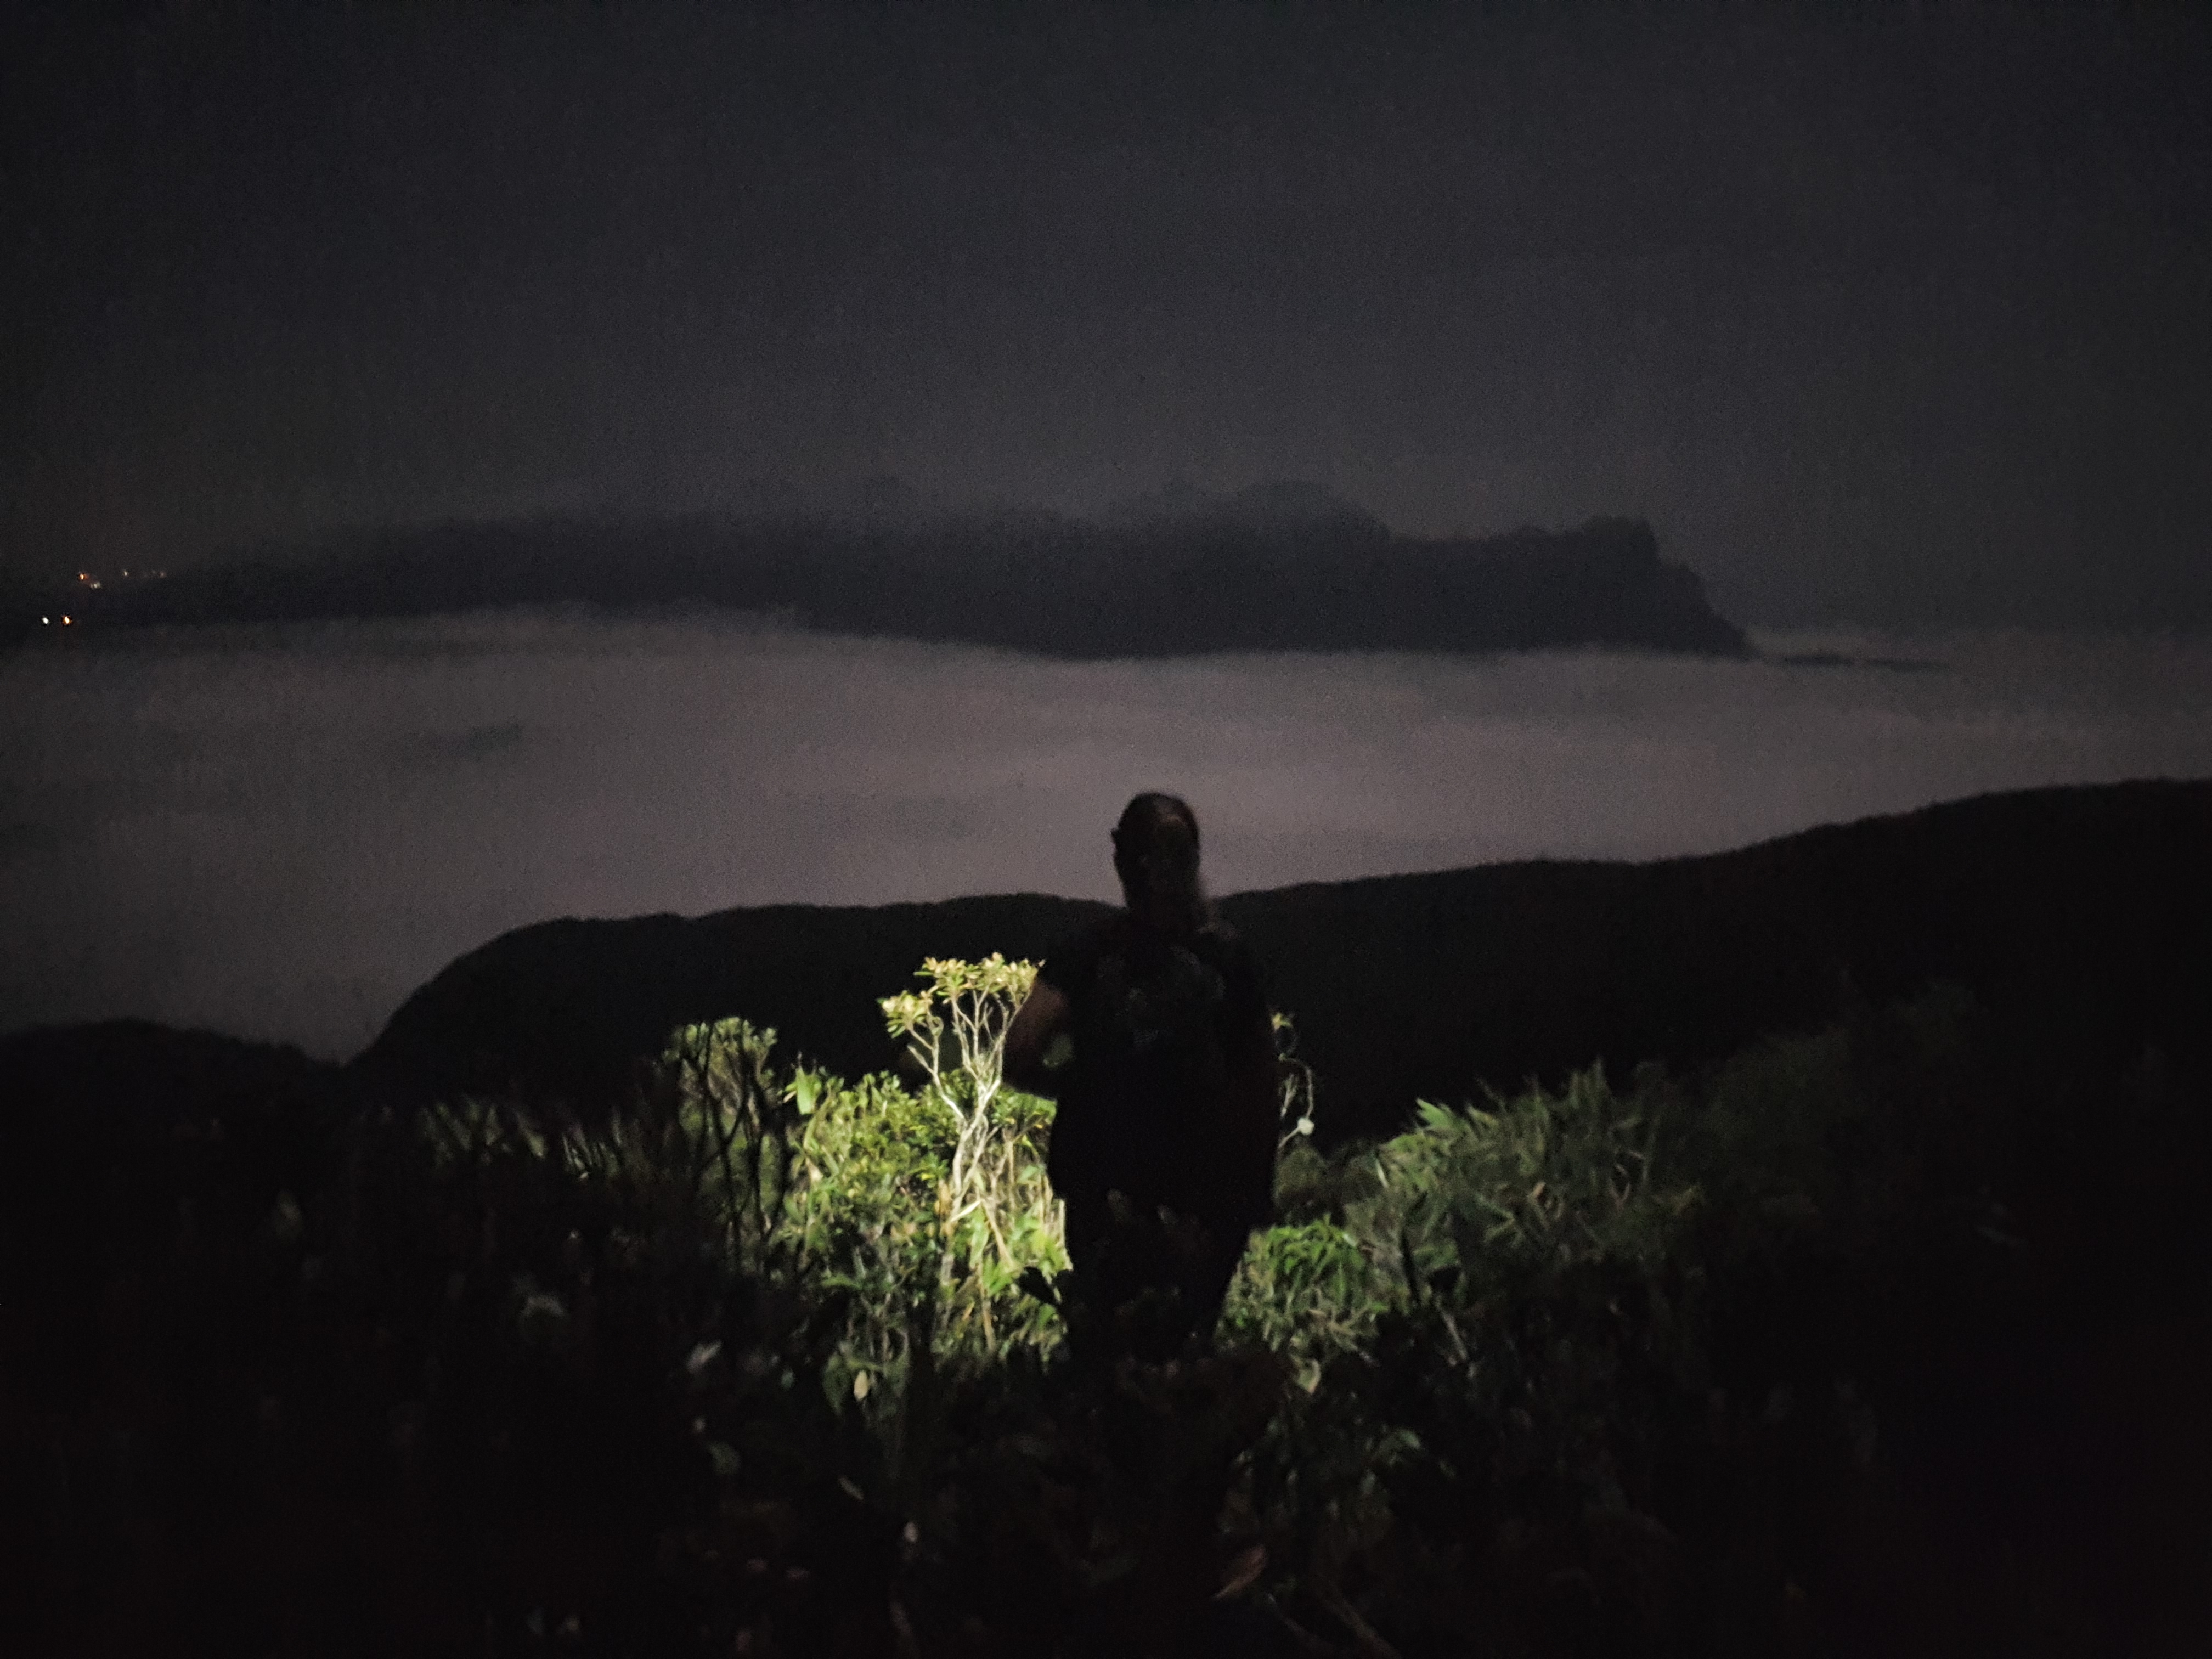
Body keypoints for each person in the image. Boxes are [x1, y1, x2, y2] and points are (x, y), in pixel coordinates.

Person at [1005, 792, 1279, 1355]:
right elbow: (1260, 1085)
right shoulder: (1226, 959)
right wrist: (1247, 1200)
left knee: (1110, 1354)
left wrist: (1083, 1085)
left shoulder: (1087, 953)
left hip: (1106, 1198)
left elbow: (1020, 1055)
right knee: (1187, 1358)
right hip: (1203, 1207)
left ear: (1121, 862)